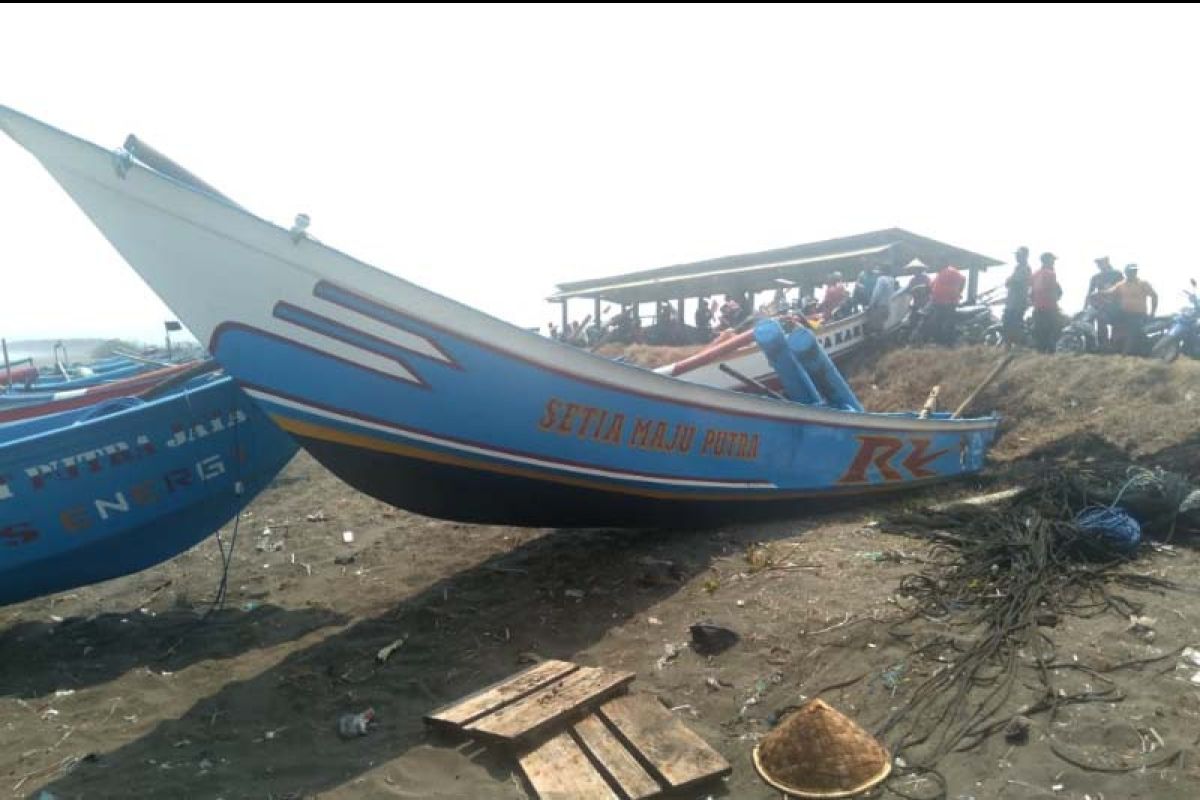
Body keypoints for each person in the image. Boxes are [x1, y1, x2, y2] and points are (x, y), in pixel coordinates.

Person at [1104, 264, 1158, 355]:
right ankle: (1111, 347)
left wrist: (1152, 313)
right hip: (1124, 313)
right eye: (1130, 271)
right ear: (1126, 272)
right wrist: (1100, 293)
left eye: (1134, 271)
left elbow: (1154, 296)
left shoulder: (1143, 284)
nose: (1133, 273)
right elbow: (1110, 292)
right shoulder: (1121, 285)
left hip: (1138, 314)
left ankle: (1126, 353)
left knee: (1133, 330)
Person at [1086, 256, 1122, 350]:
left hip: (1116, 306)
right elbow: (1089, 293)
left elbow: (1124, 289)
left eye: (1101, 263)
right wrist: (1085, 308)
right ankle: (1102, 345)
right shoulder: (1096, 277)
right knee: (1099, 321)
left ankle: (1115, 345)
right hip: (1102, 306)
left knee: (1118, 325)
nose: (1100, 265)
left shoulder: (1117, 274)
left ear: (1107, 262)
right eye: (1098, 263)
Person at [1029, 252, 1063, 353]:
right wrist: (1056, 303)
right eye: (1052, 261)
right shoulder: (1051, 274)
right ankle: (1050, 354)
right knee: (1053, 331)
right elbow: (1054, 291)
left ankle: (1040, 354)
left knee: (1039, 333)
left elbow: (1031, 292)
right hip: (1049, 307)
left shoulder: (1035, 274)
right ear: (1048, 261)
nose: (1053, 263)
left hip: (1037, 308)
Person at [928, 263, 966, 345]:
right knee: (935, 321)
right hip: (938, 302)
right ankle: (939, 341)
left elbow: (963, 279)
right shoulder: (939, 275)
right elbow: (931, 287)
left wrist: (958, 292)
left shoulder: (952, 271)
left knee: (946, 323)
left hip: (949, 302)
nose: (936, 265)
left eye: (938, 262)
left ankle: (948, 342)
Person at [1003, 246, 1033, 346]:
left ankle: (1017, 346)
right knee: (1009, 324)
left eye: (1019, 255)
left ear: (1025, 256)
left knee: (1014, 324)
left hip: (1018, 303)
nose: (1017, 257)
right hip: (1012, 302)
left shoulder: (1025, 268)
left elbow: (1014, 282)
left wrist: (1010, 281)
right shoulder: (1018, 268)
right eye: (1017, 255)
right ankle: (1010, 345)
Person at [866, 267, 898, 334]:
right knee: (882, 327)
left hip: (879, 308)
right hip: (887, 306)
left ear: (883, 271)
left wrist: (870, 305)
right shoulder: (892, 279)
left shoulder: (881, 279)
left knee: (876, 330)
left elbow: (876, 293)